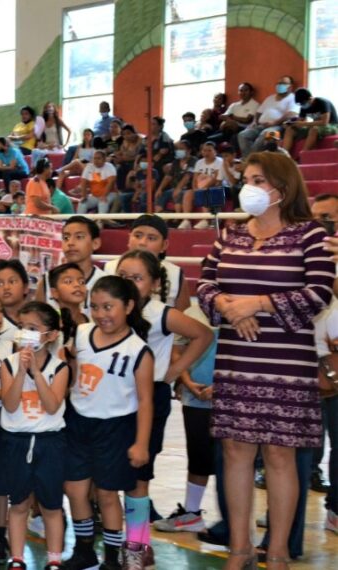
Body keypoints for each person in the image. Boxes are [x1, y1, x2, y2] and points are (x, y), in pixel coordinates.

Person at [196, 151, 333, 570]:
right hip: (237, 355)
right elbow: (204, 283)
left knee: (279, 454)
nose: (249, 186)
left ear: (283, 187)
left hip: (285, 360)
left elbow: (319, 293)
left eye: (259, 179)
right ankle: (239, 549)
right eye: (247, 178)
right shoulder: (231, 235)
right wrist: (225, 304)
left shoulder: (310, 235)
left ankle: (276, 551)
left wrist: (258, 304)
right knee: (236, 450)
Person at [115, 250, 213, 550]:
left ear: (155, 283)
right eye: (122, 277)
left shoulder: (160, 313)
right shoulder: (110, 310)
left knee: (138, 477)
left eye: (137, 278)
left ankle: (137, 545)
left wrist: (171, 373)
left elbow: (203, 336)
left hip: (150, 399)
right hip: (114, 397)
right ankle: (114, 540)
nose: (129, 283)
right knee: (108, 475)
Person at [61, 276, 155, 570]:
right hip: (77, 422)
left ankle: (112, 559)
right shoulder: (82, 333)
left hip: (116, 427)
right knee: (74, 490)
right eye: (96, 307)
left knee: (106, 493)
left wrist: (141, 443)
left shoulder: (138, 350)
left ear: (128, 306)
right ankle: (84, 550)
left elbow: (145, 401)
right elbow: (71, 371)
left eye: (109, 306)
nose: (102, 314)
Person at [0, 301, 71, 570]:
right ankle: (16, 558)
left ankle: (54, 559)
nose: (24, 334)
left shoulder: (60, 368)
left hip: (49, 442)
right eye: (21, 327)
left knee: (51, 505)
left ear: (51, 335)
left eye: (32, 328)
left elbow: (52, 405)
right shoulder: (8, 364)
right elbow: (10, 404)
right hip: (16, 441)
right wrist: (21, 371)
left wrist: (36, 373)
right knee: (18, 504)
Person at [155, 305, 218, 534]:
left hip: (232, 399)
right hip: (196, 398)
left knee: (230, 461)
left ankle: (232, 520)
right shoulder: (191, 313)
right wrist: (187, 381)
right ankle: (191, 513)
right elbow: (177, 351)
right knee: (198, 456)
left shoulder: (242, 312)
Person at [103, 214, 191, 310]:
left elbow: (183, 315)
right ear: (129, 238)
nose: (142, 242)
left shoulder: (175, 273)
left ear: (164, 245)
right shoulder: (109, 267)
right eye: (137, 236)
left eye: (151, 238)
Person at [36, 216, 107, 316]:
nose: (70, 243)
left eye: (79, 237)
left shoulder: (105, 281)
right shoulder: (47, 280)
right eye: (66, 238)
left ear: (95, 243)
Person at [238, 76, 300, 156]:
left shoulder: (293, 98)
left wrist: (274, 122)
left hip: (279, 127)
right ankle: (249, 160)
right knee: (243, 135)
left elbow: (292, 114)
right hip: (261, 125)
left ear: (290, 87)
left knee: (266, 134)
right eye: (278, 83)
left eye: (283, 83)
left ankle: (250, 160)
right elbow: (258, 112)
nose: (279, 85)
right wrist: (255, 123)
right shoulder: (270, 98)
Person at [282, 87, 337, 156]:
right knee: (290, 130)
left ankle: (303, 154)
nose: (302, 105)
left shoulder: (322, 103)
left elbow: (324, 122)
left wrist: (304, 123)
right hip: (315, 125)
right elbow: (300, 120)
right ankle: (284, 155)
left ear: (310, 98)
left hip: (331, 126)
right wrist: (291, 124)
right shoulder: (303, 107)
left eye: (303, 103)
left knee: (314, 129)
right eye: (300, 104)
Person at [76, 150, 119, 215]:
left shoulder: (109, 166)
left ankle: (100, 223)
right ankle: (79, 222)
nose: (96, 160)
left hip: (110, 194)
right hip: (95, 195)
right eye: (95, 158)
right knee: (82, 203)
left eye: (98, 158)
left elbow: (111, 182)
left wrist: (104, 195)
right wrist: (84, 196)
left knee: (102, 203)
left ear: (104, 159)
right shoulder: (89, 167)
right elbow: (83, 182)